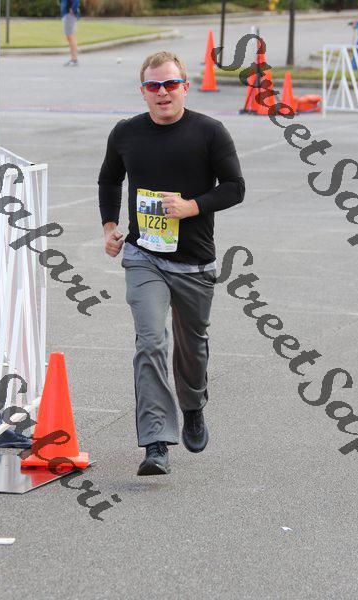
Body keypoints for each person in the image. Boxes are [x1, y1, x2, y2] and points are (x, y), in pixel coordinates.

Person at [98, 51, 245, 476]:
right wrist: (110, 227)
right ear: (143, 91)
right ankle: (156, 441)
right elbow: (109, 178)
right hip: (144, 257)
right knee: (150, 341)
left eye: (170, 84)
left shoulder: (209, 132)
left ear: (185, 86)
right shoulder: (126, 133)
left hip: (195, 262)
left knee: (192, 347)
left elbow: (235, 187)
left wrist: (190, 206)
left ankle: (193, 404)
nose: (162, 92)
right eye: (153, 85)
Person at [60, 0, 80, 67]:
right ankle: (73, 59)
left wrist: (73, 10)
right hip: (67, 14)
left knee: (70, 37)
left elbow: (76, 1)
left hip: (69, 14)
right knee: (70, 37)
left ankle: (74, 60)